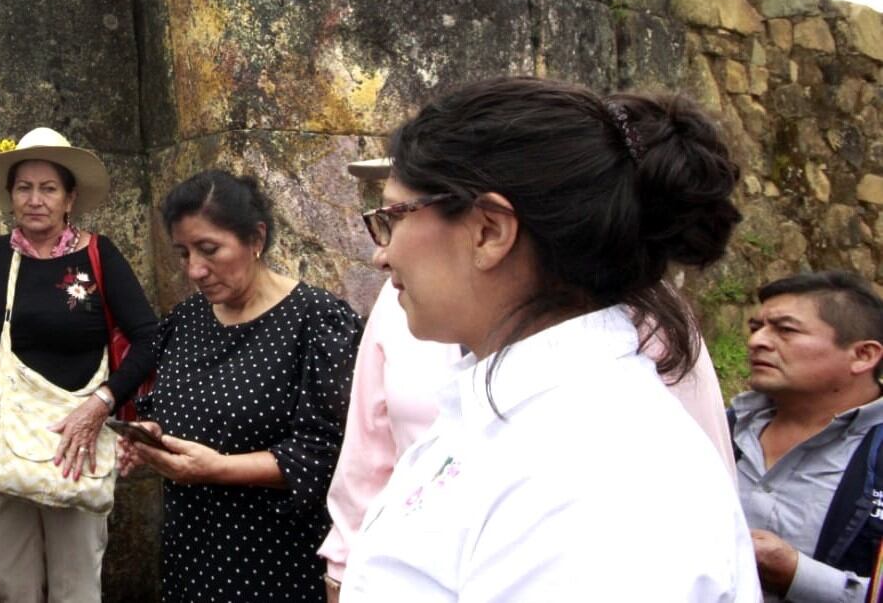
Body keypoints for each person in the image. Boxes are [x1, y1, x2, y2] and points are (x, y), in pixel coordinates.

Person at [337, 76, 758, 601]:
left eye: (392, 218)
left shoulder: (604, 479)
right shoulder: (515, 412)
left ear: (489, 231)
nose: (382, 254)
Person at [118, 170, 361, 601]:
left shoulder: (316, 321)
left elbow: (327, 455)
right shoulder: (188, 320)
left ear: (256, 238)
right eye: (183, 253)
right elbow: (167, 406)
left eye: (209, 249)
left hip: (273, 557)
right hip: (192, 548)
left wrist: (218, 469)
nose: (195, 269)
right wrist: (153, 436)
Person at [0, 127, 158, 603]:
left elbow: (149, 338)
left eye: (48, 188)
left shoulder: (98, 254)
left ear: (70, 198)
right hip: (6, 436)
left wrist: (102, 403)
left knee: (76, 585)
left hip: (75, 441)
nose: (35, 199)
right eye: (24, 187)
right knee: (11, 581)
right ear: (10, 197)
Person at [733, 270, 883, 603]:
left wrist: (797, 576)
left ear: (863, 355)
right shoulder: (719, 429)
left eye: (785, 330)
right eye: (756, 328)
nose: (756, 341)